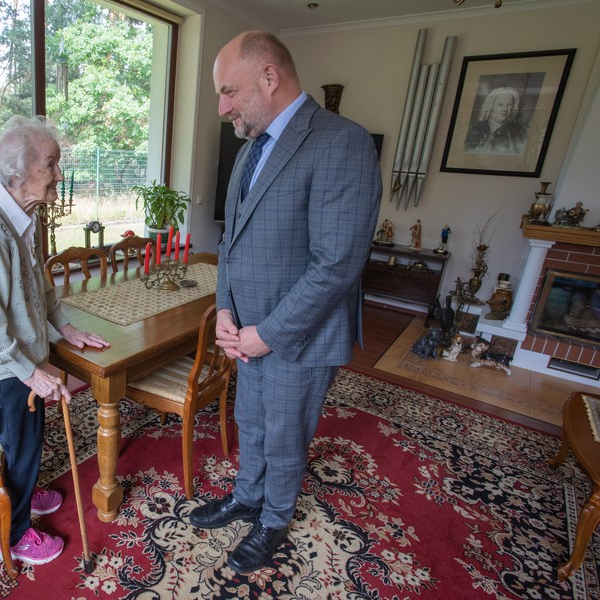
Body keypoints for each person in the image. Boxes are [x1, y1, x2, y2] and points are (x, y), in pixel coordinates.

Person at [189, 31, 382, 574]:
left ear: (269, 78)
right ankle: (248, 496)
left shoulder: (342, 141)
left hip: (297, 334)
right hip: (246, 329)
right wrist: (226, 310)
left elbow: (337, 264)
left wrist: (267, 333)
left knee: (286, 434)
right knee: (250, 421)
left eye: (229, 91)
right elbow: (231, 238)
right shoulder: (252, 146)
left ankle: (274, 520)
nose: (222, 106)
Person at [0, 115, 109, 566]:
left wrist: (65, 329)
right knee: (19, 445)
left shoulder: (20, 214)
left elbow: (39, 285)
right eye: (52, 164)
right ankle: (10, 537)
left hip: (20, 357)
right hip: (2, 366)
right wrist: (32, 372)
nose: (60, 174)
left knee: (27, 443)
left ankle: (26, 491)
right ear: (16, 175)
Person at [465, 86, 528, 155]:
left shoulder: (519, 132)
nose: (505, 109)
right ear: (490, 106)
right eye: (500, 105)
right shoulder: (473, 128)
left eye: (509, 105)